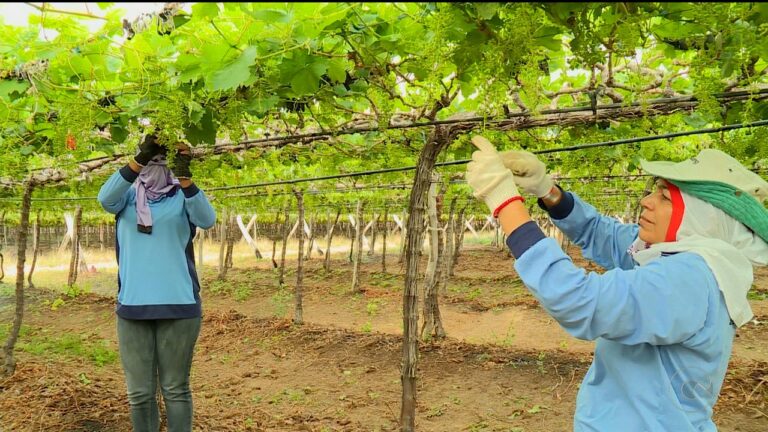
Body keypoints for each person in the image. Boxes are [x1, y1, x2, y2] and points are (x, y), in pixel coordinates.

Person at [464, 136, 768, 431]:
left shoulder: (689, 277)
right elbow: (602, 233)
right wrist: (548, 190)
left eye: (664, 196)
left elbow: (578, 300)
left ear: (703, 218)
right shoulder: (670, 258)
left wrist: (504, 201)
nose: (645, 201)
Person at [97, 134, 216, 432]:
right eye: (152, 159)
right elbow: (104, 198)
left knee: (175, 389)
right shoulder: (125, 198)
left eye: (164, 161)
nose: (156, 165)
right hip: (133, 308)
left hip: (180, 307)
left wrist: (186, 178)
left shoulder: (183, 198)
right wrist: (139, 160)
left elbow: (207, 219)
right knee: (139, 394)